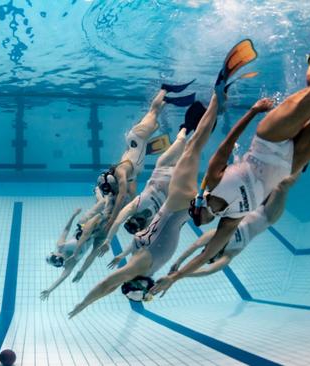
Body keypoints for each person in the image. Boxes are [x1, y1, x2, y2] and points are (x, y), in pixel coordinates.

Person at [155, 20, 310, 296]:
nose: (201, 224)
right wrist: (175, 278)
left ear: (199, 208)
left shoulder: (212, 179)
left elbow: (229, 140)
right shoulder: (229, 221)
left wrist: (255, 111)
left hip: (269, 141)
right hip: (289, 163)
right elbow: (204, 255)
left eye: (196, 218)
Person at [67, 39, 256, 317]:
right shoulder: (143, 265)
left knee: (194, 147)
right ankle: (217, 100)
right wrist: (84, 302)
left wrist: (113, 251)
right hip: (178, 203)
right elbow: (110, 282)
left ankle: (216, 107)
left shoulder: (139, 260)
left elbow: (117, 269)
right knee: (194, 147)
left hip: (177, 202)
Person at [101, 103, 205, 262]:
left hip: (163, 166)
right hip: (178, 176)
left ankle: (185, 127)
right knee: (192, 146)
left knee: (182, 139)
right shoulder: (154, 220)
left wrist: (108, 240)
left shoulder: (136, 205)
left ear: (132, 218)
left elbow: (117, 220)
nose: (139, 220)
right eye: (138, 225)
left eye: (134, 220)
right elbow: (139, 240)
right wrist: (123, 255)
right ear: (141, 228)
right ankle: (199, 126)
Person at [100, 83, 195, 234]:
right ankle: (166, 100)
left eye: (112, 189)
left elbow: (122, 195)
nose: (115, 192)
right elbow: (131, 197)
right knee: (154, 112)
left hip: (138, 137)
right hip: (139, 141)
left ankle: (165, 89)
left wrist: (112, 220)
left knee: (153, 111)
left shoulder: (121, 174)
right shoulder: (128, 178)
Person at [169, 172, 299, 278]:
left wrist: (178, 262)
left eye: (206, 251)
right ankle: (304, 161)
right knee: (282, 186)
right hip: (267, 216)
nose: (209, 252)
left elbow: (194, 246)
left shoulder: (216, 236)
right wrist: (182, 275)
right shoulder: (229, 254)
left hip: (254, 204)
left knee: (272, 177)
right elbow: (207, 271)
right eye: (210, 256)